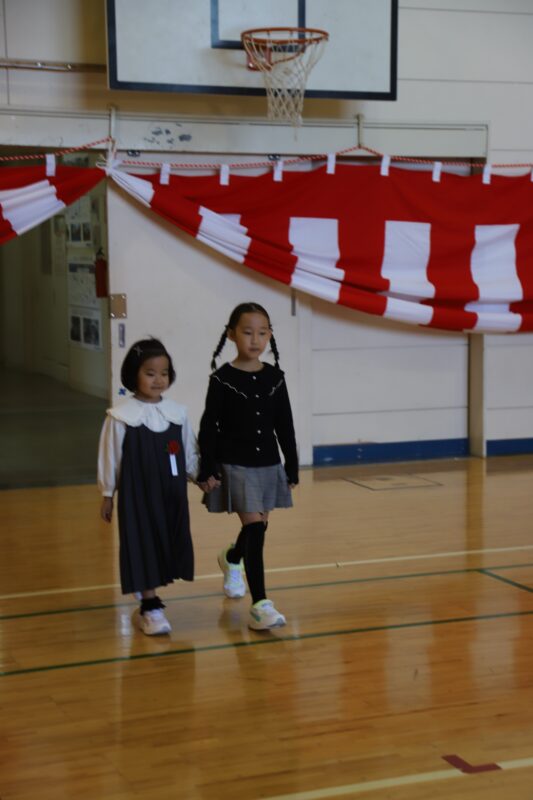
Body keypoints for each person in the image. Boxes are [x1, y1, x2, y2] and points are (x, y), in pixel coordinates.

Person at [197, 302, 298, 631]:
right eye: (247, 332)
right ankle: (261, 604)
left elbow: (285, 425)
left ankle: (232, 558)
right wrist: (208, 467)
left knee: (259, 528)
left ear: (270, 335)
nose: (255, 340)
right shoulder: (222, 379)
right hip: (235, 465)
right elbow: (209, 426)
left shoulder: (275, 378)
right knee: (255, 528)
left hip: (268, 464)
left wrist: (292, 465)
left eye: (262, 333)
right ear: (231, 334)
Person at [97, 338, 198, 636]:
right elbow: (110, 457)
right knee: (141, 541)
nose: (158, 380)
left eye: (164, 373)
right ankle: (150, 606)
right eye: (150, 373)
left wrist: (201, 476)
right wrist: (107, 494)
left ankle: (149, 592)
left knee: (167, 541)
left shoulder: (177, 413)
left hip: (171, 494)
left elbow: (189, 452)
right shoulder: (120, 416)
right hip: (138, 495)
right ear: (133, 374)